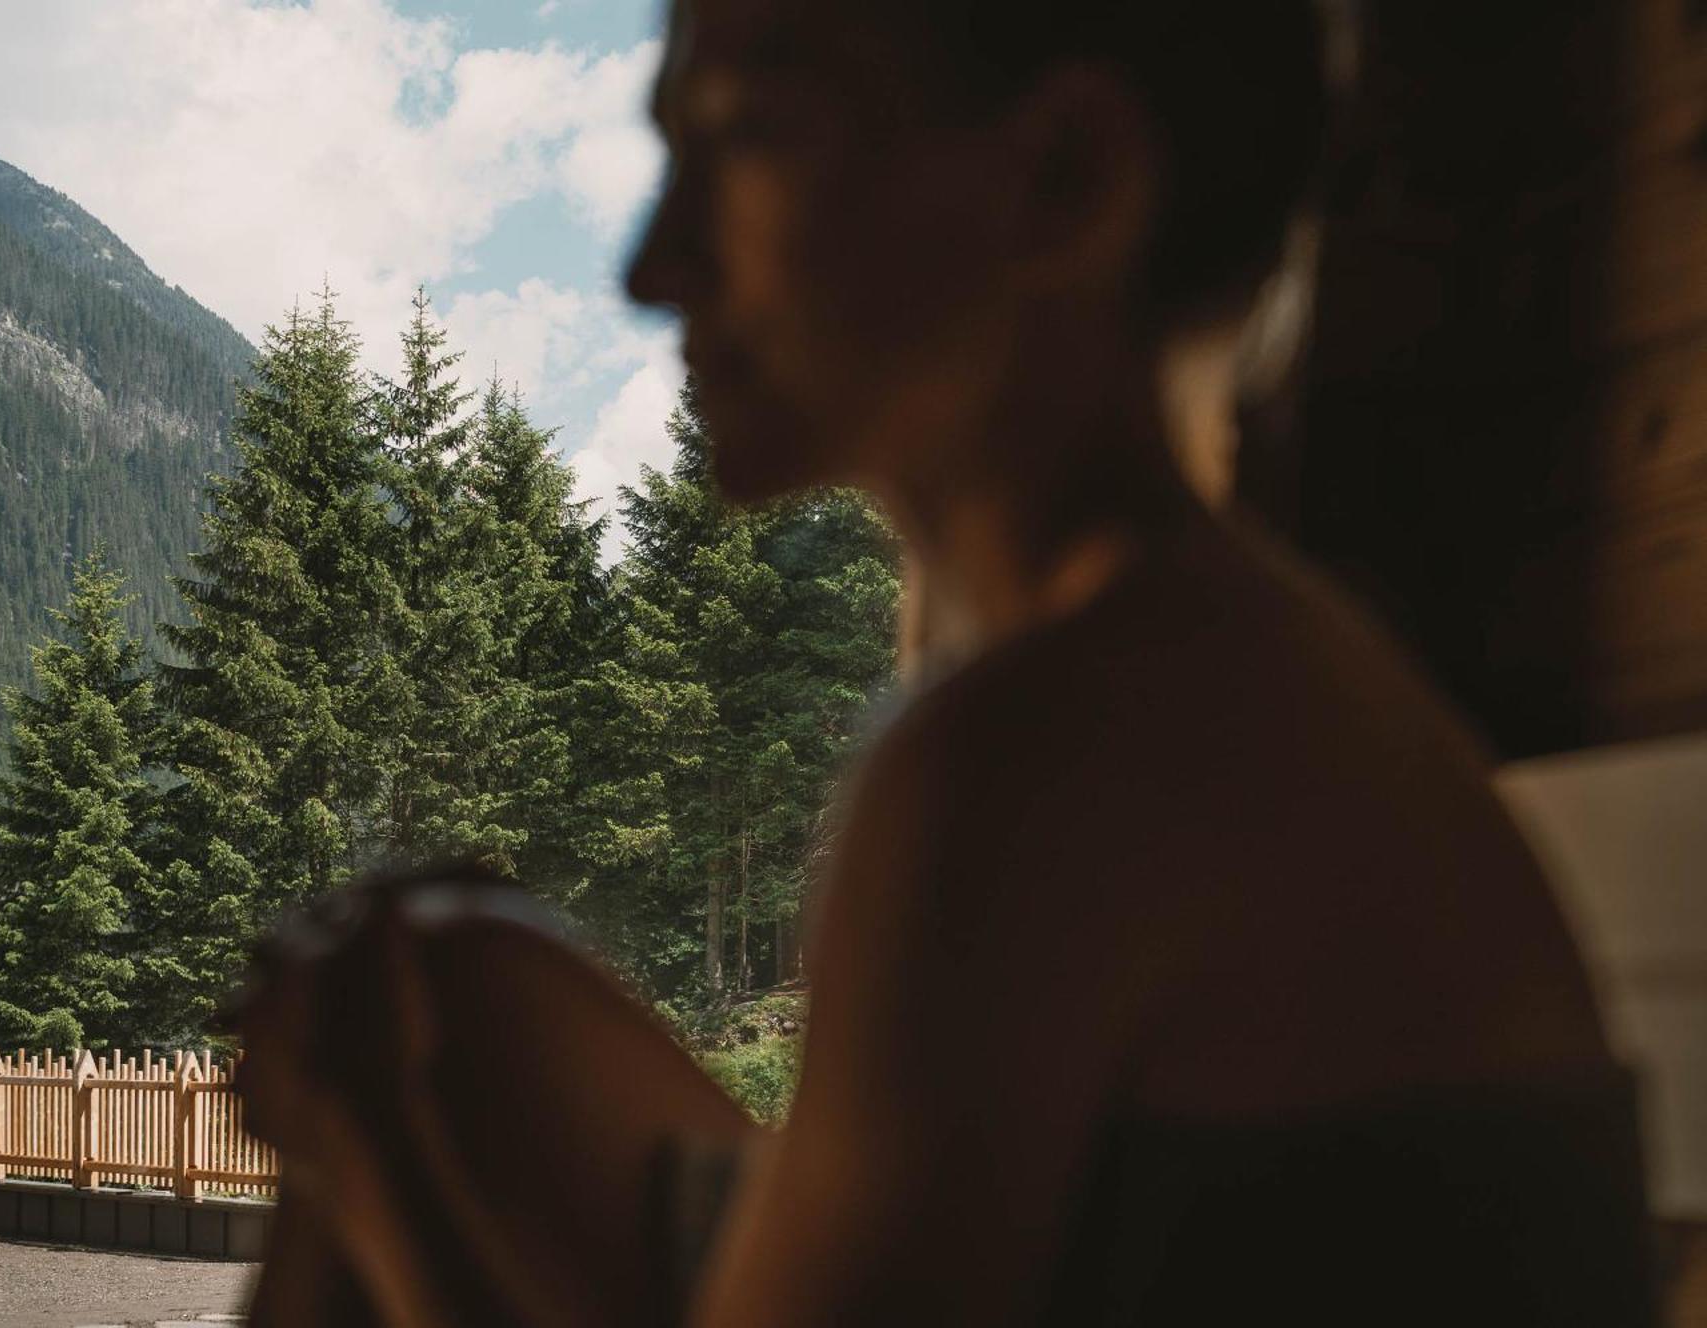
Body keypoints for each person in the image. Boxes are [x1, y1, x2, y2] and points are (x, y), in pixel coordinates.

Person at [234, 1, 1663, 1323]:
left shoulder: (1060, 747)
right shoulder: (1225, 668)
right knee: (447, 985)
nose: (652, 265)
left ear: (1064, 176)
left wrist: (377, 1154)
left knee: (397, 1044)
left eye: (745, 135)